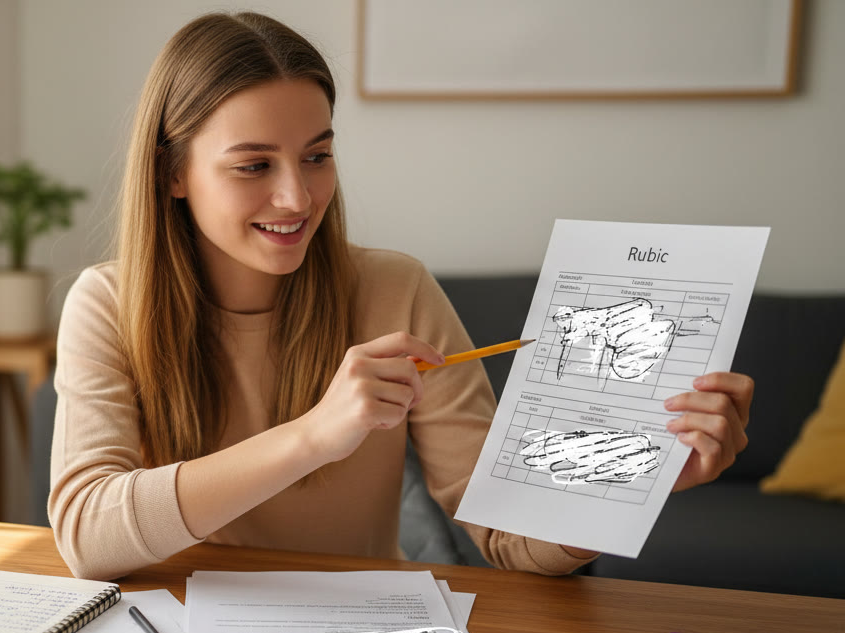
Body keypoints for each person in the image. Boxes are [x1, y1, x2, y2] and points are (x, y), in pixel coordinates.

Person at [47, 11, 753, 582]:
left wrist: (629, 484)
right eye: (254, 165)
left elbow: (505, 536)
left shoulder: (396, 290)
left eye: (317, 156)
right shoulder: (106, 305)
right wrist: (314, 436)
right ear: (172, 172)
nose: (297, 196)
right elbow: (87, 534)